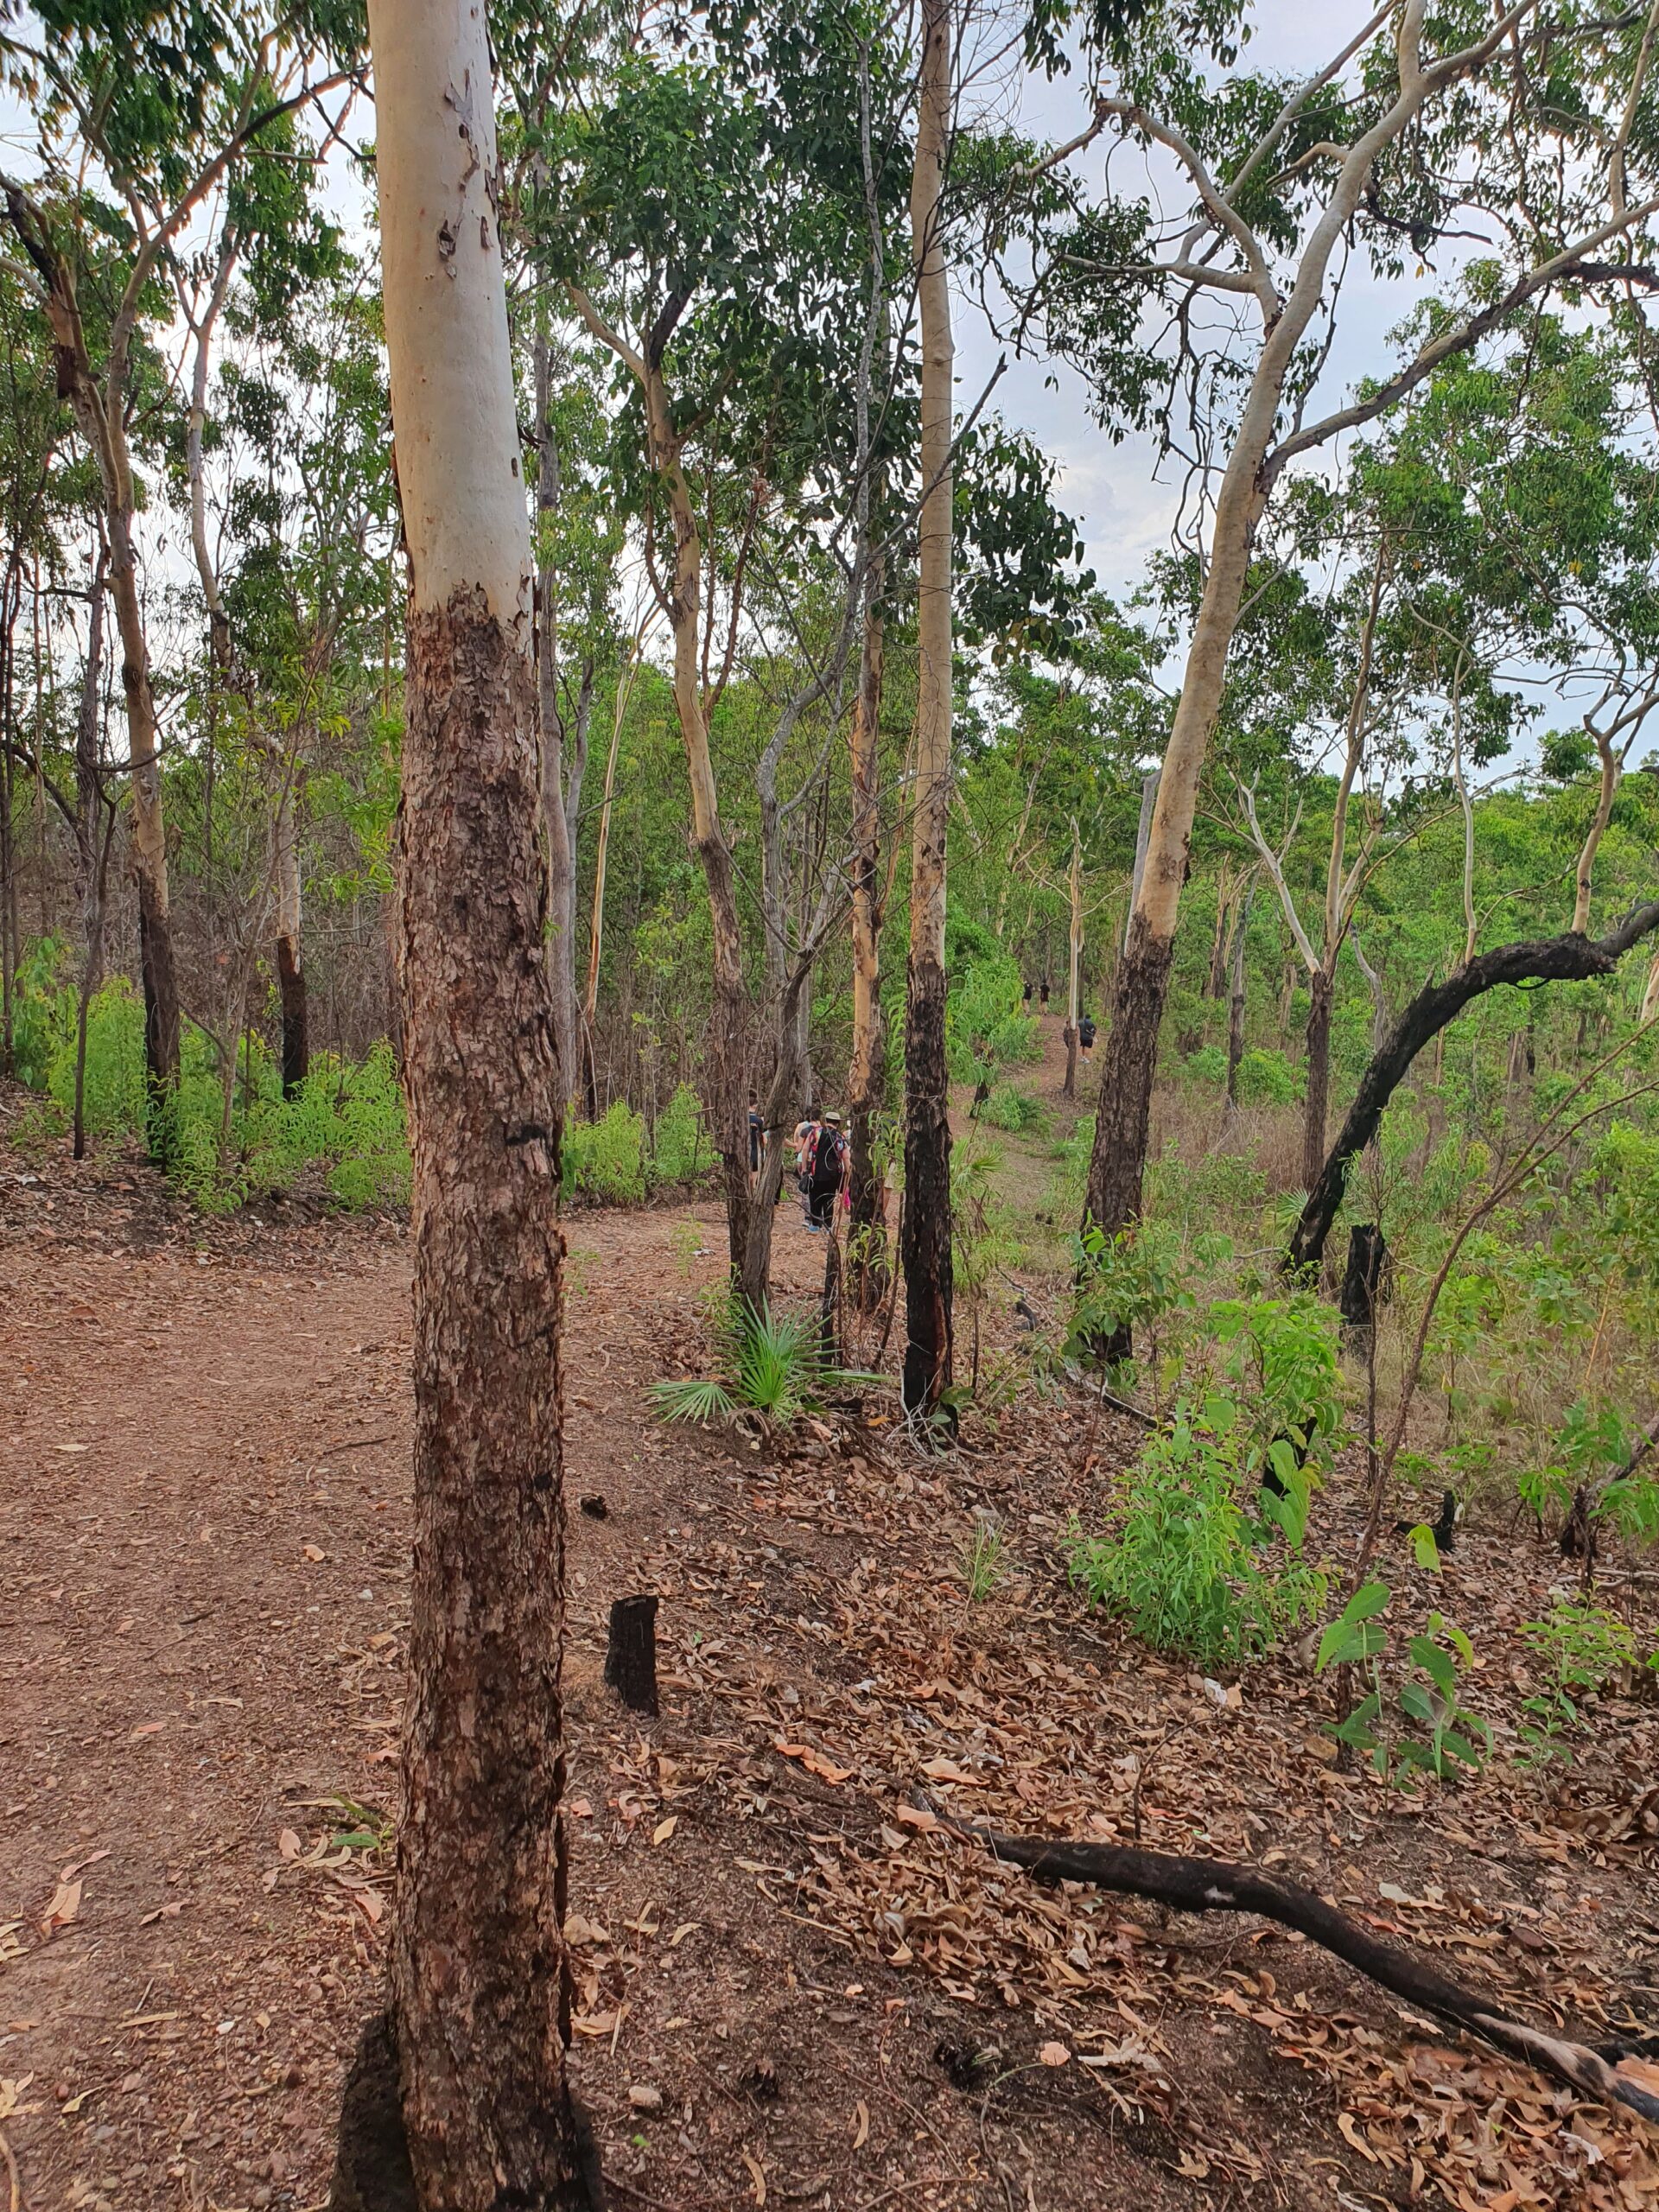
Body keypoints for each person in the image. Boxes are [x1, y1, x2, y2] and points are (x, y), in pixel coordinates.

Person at [805, 1110, 846, 1232]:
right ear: (838, 1123)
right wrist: (848, 1170)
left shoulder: (815, 1132)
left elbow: (805, 1149)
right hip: (832, 1174)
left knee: (815, 1198)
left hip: (815, 1171)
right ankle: (828, 1226)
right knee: (829, 1199)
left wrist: (803, 1167)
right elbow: (846, 1156)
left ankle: (815, 1225)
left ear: (825, 1121)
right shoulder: (839, 1137)